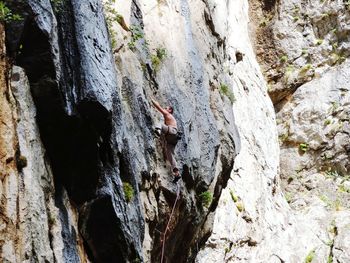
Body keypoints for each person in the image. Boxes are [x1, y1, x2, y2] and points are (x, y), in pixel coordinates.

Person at [151, 98, 181, 183]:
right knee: (170, 155)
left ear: (170, 110)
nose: (165, 109)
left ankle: (159, 134)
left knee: (160, 124)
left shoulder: (168, 114)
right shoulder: (170, 118)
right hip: (173, 138)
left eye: (166, 108)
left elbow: (158, 107)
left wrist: (152, 100)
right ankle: (176, 173)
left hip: (171, 131)